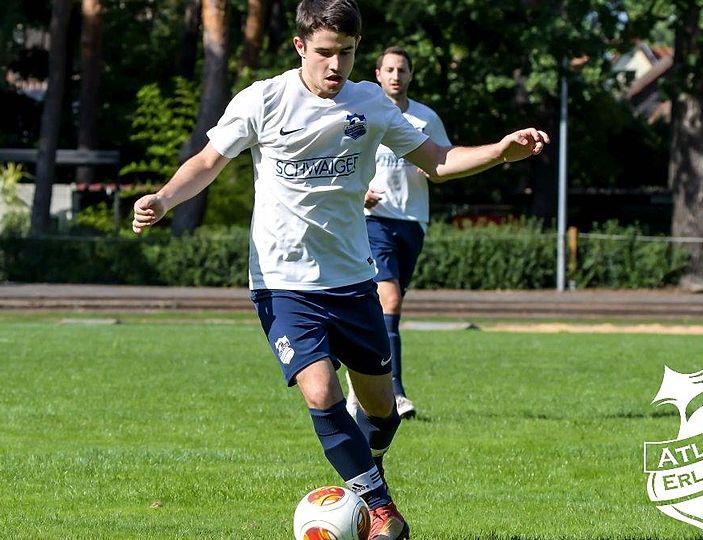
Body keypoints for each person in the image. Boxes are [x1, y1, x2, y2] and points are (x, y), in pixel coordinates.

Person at [131, 1, 549, 537]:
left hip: (352, 281)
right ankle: (381, 509)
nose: (336, 65)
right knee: (321, 392)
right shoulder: (264, 100)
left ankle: (360, 476)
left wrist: (500, 152)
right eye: (325, 52)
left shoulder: (370, 103)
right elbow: (209, 161)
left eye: (346, 53)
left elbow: (438, 161)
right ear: (300, 46)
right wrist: (164, 198)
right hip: (283, 282)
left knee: (381, 413)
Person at [346, 46, 451, 420]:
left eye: (401, 70)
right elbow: (346, 161)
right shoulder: (363, 114)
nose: (395, 75)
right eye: (388, 69)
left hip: (412, 222)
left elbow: (444, 160)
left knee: (386, 308)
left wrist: (433, 170)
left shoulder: (425, 118)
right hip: (373, 219)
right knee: (388, 302)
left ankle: (358, 384)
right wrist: (359, 193)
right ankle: (395, 392)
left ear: (410, 75)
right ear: (377, 74)